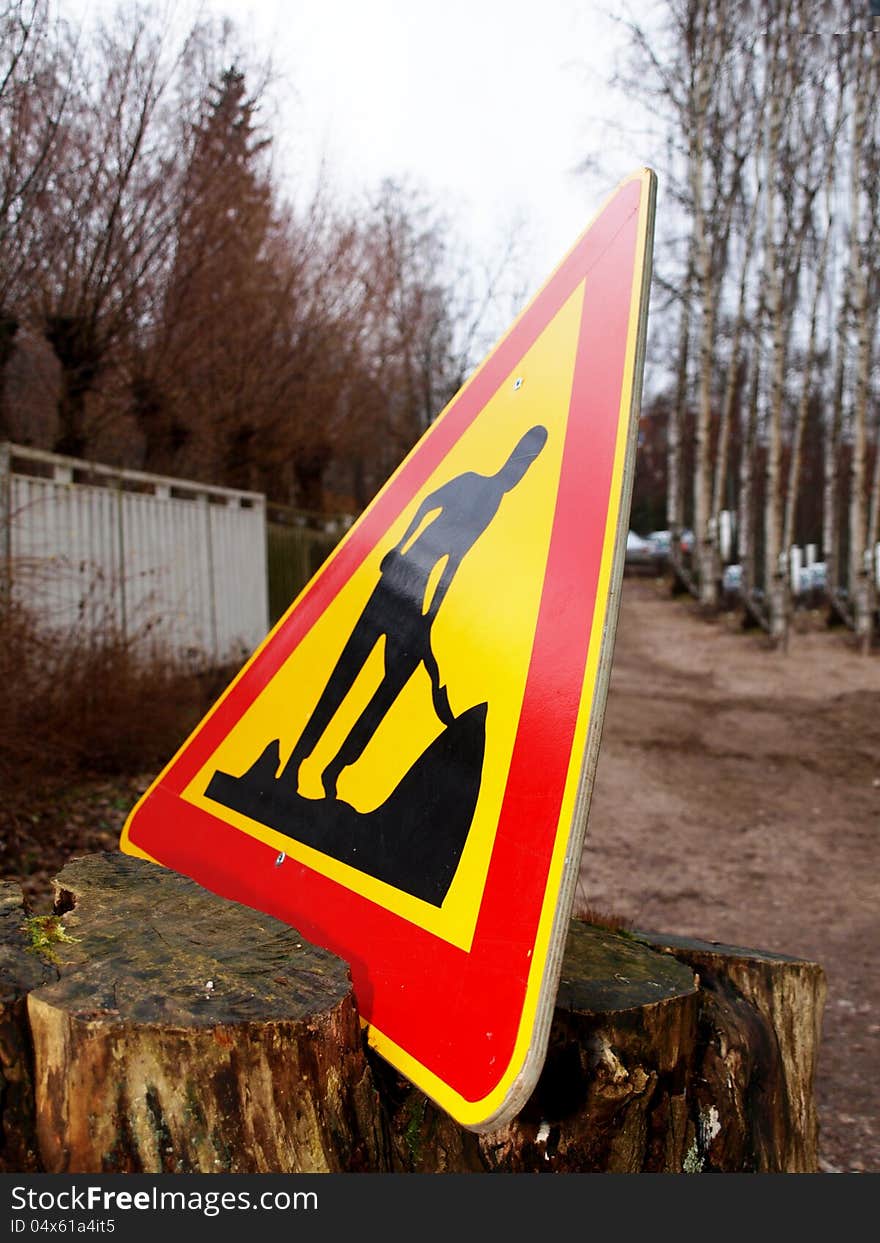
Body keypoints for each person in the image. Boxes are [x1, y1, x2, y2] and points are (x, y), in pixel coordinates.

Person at [282, 424, 549, 798]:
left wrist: (432, 614)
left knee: (388, 690)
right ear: (510, 456)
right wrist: (400, 546)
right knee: (346, 674)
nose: (520, 472)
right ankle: (295, 763)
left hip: (418, 598)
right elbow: (428, 503)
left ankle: (334, 771)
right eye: (521, 460)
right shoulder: (473, 482)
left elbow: (455, 560)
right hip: (396, 580)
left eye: (529, 465)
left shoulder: (494, 503)